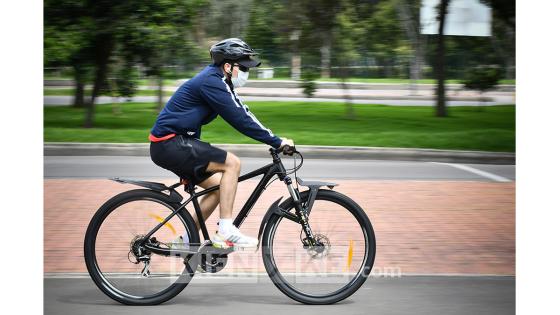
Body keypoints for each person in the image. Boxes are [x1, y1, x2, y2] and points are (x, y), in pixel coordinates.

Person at [149, 38, 294, 250]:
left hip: (176, 144)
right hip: (169, 143)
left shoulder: (220, 82)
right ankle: (225, 231)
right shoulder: (212, 82)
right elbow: (240, 120)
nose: (246, 72)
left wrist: (274, 138)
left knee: (218, 187)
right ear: (228, 66)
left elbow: (243, 111)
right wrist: (277, 141)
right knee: (232, 164)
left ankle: (185, 242)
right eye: (243, 67)